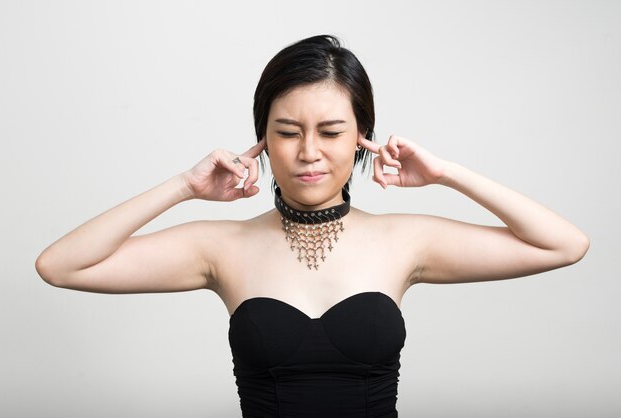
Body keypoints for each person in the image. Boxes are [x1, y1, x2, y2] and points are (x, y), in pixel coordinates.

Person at [35, 34, 589, 417]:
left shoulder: (405, 241)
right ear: (262, 141)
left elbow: (565, 244)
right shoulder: (219, 246)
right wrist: (184, 186)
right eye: (286, 131)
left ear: (360, 137)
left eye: (329, 131)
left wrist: (446, 174)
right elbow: (59, 266)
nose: (308, 152)